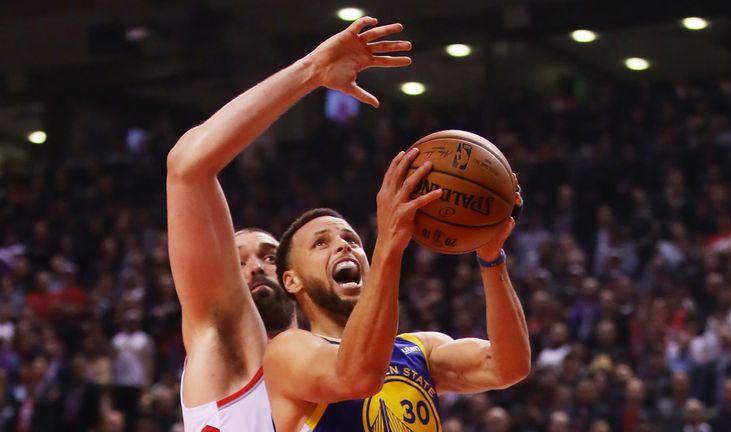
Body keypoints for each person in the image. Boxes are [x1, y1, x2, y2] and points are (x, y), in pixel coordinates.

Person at [166, 16, 415, 431]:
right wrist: (312, 70)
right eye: (238, 260)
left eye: (267, 257)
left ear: (294, 277)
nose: (253, 267)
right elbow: (187, 166)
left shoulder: (322, 369)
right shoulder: (223, 340)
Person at [264, 171, 530, 428]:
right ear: (291, 280)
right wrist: (389, 243)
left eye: (351, 240)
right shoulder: (288, 350)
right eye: (320, 243)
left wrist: (491, 256)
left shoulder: (420, 349)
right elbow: (356, 377)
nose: (344, 246)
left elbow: (509, 367)